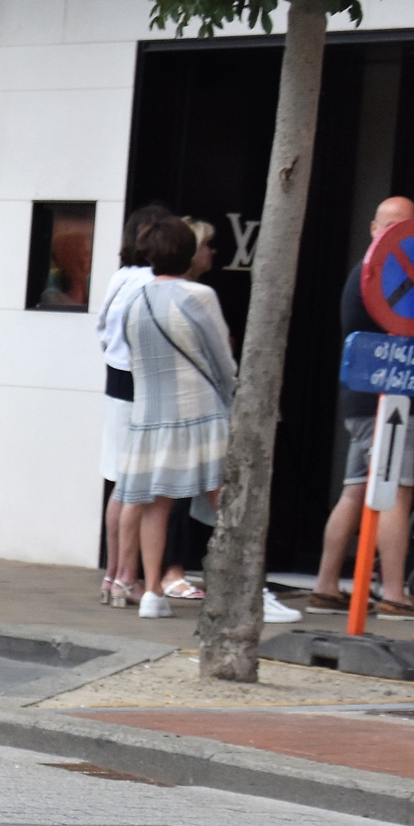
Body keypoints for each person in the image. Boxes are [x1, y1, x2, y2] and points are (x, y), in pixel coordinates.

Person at [307, 195, 414, 619]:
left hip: (366, 398)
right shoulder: (383, 273)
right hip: (388, 399)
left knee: (358, 488)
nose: (401, 234)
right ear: (373, 228)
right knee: (396, 491)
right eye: (394, 226)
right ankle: (395, 593)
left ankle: (327, 586)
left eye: (408, 226)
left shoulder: (369, 271)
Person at [117, 216, 237, 619]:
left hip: (151, 416)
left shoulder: (134, 301)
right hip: (199, 411)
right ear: (188, 253)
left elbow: (132, 359)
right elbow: (222, 359)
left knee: (156, 505)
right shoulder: (198, 296)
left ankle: (152, 592)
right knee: (226, 500)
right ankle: (242, 586)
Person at [94, 203, 171, 605]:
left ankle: (112, 575)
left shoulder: (120, 278)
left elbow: (102, 330)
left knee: (120, 484)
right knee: (138, 487)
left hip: (115, 378)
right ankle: (127, 575)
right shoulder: (151, 284)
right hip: (141, 381)